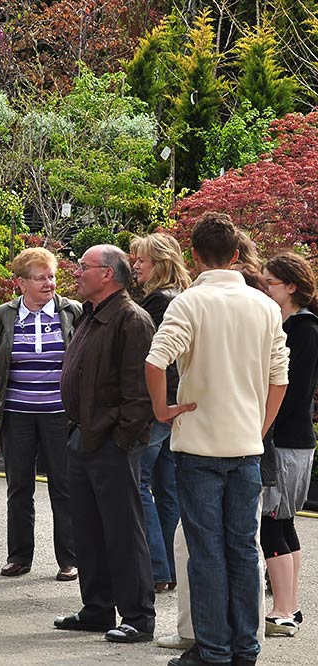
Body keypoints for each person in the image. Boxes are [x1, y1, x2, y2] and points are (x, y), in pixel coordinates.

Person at [146, 212, 289, 666]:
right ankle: (245, 648)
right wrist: (259, 427)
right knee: (244, 550)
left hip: (199, 447)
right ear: (235, 255)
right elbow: (279, 377)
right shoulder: (264, 305)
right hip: (245, 447)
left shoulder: (189, 303)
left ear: (194, 255)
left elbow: (155, 361)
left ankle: (212, 649)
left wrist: (161, 410)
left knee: (206, 552)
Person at [54, 244, 157, 645]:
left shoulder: (131, 319)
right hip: (83, 435)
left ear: (109, 274)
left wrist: (121, 440)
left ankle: (138, 617)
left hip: (112, 442)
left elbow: (140, 394)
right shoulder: (91, 315)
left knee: (123, 531)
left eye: (84, 267)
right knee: (88, 528)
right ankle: (97, 609)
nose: (76, 273)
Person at [0, 247, 80, 582]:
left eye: (52, 276)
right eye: (40, 278)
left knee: (64, 486)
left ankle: (69, 559)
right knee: (19, 486)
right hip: (17, 413)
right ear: (21, 282)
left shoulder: (72, 311)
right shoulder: (3, 315)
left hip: (60, 415)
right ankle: (19, 557)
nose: (49, 283)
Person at [260, 252, 318, 637]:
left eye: (270, 283)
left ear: (291, 286)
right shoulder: (293, 325)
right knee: (283, 522)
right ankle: (289, 608)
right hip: (291, 439)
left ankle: (283, 609)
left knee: (272, 524)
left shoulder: (302, 329)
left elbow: (293, 393)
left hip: (286, 441)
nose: (264, 288)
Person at [130, 233, 191, 593]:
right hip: (176, 406)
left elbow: (156, 360)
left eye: (143, 259)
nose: (136, 264)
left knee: (139, 483)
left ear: (161, 263)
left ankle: (156, 568)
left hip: (158, 408)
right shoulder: (183, 298)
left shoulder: (159, 301)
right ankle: (170, 567)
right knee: (168, 489)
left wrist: (153, 405)